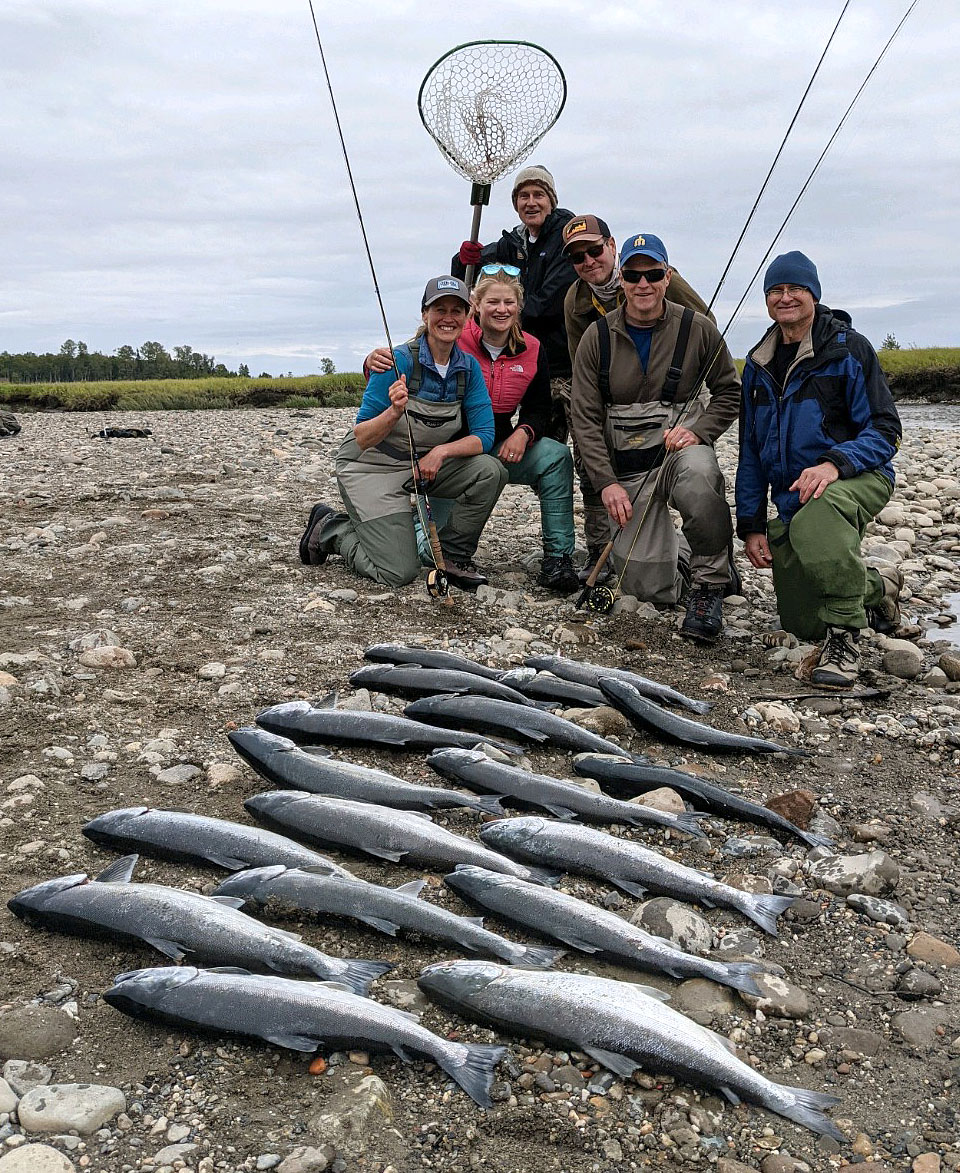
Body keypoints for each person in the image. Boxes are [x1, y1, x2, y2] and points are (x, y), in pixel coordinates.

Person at [735, 251, 903, 687]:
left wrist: (834, 463)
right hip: (796, 496)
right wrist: (752, 523)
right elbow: (751, 452)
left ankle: (845, 639)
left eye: (795, 288)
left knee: (818, 517)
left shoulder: (849, 350)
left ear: (814, 294)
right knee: (802, 622)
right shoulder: (756, 365)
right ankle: (877, 589)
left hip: (858, 478)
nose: (785, 297)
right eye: (776, 290)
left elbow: (887, 431)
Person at [570, 233, 741, 642]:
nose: (643, 284)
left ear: (668, 277)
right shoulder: (596, 337)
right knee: (647, 587)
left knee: (701, 476)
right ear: (622, 279)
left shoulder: (698, 329)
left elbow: (730, 392)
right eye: (633, 274)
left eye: (653, 274)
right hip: (626, 472)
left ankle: (710, 584)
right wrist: (606, 483)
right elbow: (585, 418)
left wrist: (699, 431)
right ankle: (686, 552)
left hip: (678, 460)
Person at [365, 268, 579, 593]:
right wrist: (370, 362)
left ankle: (559, 558)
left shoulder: (533, 349)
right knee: (426, 554)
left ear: (519, 307)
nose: (501, 309)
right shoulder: (455, 335)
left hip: (500, 443)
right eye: (493, 301)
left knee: (557, 456)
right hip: (450, 454)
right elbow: (408, 358)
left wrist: (525, 432)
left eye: (509, 302)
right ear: (476, 306)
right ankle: (401, 529)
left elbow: (539, 407)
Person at [298, 276, 507, 591]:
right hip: (370, 466)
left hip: (420, 466)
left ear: (468, 317)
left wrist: (441, 452)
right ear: (425, 314)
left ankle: (449, 556)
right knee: (397, 573)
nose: (448, 318)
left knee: (491, 470)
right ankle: (332, 529)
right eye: (439, 309)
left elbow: (485, 435)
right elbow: (363, 436)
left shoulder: (468, 369)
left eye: (456, 310)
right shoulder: (396, 361)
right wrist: (393, 413)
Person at [561, 214, 713, 583]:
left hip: (673, 400)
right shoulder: (574, 300)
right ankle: (601, 547)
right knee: (590, 463)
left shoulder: (660, 279)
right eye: (577, 257)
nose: (588, 261)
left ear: (611, 247)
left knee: (693, 475)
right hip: (614, 400)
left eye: (595, 250)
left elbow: (705, 333)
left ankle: (711, 564)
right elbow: (583, 366)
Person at [452, 165, 576, 438]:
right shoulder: (514, 242)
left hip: (560, 363)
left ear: (551, 201)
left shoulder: (566, 239)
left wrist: (497, 314)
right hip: (518, 355)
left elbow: (548, 302)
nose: (531, 202)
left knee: (561, 441)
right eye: (524, 196)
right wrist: (462, 261)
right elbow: (469, 278)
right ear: (516, 203)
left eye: (539, 195)